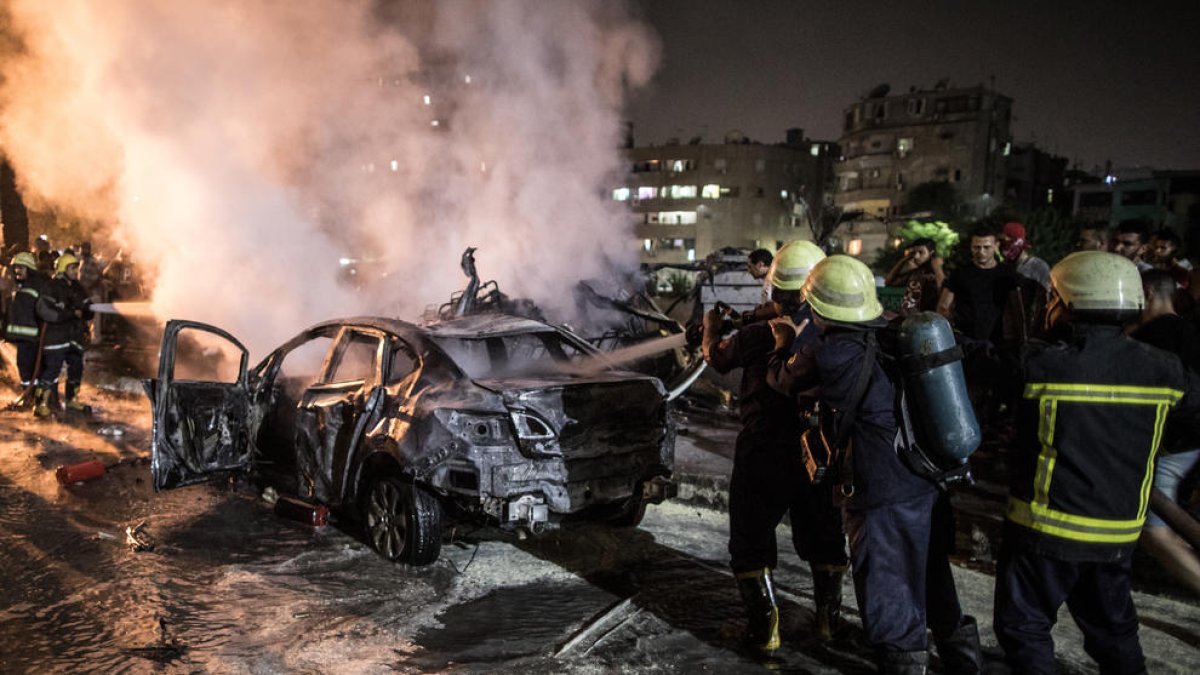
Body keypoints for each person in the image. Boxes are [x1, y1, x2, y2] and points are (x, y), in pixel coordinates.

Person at [767, 255, 980, 674]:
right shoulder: (895, 334)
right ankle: (964, 663)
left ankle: (904, 665)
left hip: (879, 492)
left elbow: (782, 380)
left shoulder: (830, 354)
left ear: (819, 308)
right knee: (933, 579)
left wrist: (781, 338)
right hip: (926, 480)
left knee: (888, 593)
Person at [992, 252, 1200, 673]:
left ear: (1067, 303)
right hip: (1116, 537)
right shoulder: (1166, 370)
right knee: (1115, 635)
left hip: (1044, 534)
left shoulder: (1040, 364)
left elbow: (975, 361)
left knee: (1026, 628)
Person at [701, 240, 848, 654]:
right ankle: (828, 623)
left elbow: (717, 356)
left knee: (750, 537)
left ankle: (765, 631)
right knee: (824, 533)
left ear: (775, 286)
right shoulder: (832, 332)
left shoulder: (759, 335)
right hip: (816, 449)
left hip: (763, 448)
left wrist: (710, 328)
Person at [1130, 269, 1200, 597]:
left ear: (1145, 292)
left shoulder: (1151, 339)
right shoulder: (1190, 331)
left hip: (1173, 443)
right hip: (1191, 441)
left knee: (1153, 530)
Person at [937, 226, 1019, 430]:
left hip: (999, 345)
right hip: (967, 345)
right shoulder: (960, 274)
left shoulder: (1007, 274)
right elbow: (943, 306)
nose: (981, 252)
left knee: (996, 396)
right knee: (969, 395)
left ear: (996, 246)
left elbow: (1018, 309)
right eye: (976, 247)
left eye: (986, 247)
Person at [33, 254, 93, 416]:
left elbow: (88, 307)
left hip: (74, 336)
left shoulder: (78, 288)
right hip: (56, 337)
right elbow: (44, 310)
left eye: (76, 268)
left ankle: (72, 400)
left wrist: (87, 311)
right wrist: (70, 314)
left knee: (77, 368)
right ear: (62, 269)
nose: (76, 272)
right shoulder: (52, 287)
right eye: (72, 268)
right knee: (52, 370)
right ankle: (41, 404)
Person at [3, 252, 48, 398]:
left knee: (28, 367)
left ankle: (31, 397)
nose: (17, 271)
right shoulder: (20, 286)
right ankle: (31, 396)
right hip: (24, 338)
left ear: (29, 269)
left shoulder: (35, 287)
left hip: (32, 338)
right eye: (16, 268)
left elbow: (42, 311)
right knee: (26, 367)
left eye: (21, 268)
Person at [884, 238, 944, 316]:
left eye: (921, 252)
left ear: (931, 253)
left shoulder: (936, 273)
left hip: (925, 318)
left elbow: (942, 292)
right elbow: (889, 282)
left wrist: (937, 268)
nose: (916, 256)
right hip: (906, 317)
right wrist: (904, 260)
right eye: (914, 252)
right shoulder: (914, 272)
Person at [998, 221, 1050, 292]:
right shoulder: (1003, 268)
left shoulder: (1039, 267)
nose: (1003, 248)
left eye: (1006, 243)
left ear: (1019, 242)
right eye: (1001, 242)